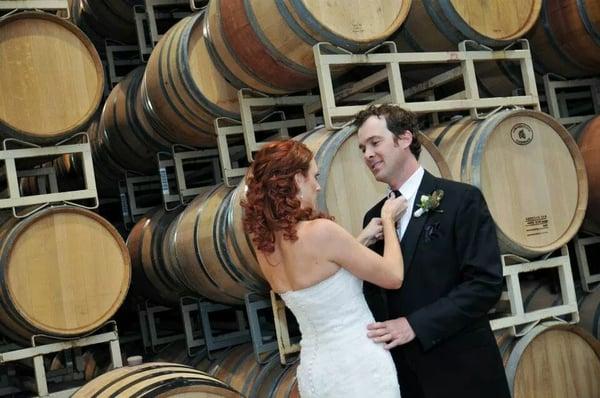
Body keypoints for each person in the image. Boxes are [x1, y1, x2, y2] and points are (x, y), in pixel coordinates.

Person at [355, 104, 511, 398]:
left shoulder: (460, 200)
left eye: (375, 143)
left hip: (464, 373)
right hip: (406, 381)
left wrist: (415, 325)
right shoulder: (373, 219)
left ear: (404, 139)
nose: (367, 155)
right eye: (362, 148)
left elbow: (484, 285)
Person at [242, 140, 406, 398]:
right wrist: (388, 222)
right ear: (297, 180)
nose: (318, 186)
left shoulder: (265, 247)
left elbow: (325, 273)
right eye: (314, 176)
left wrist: (361, 238)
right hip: (358, 368)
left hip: (316, 373)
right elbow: (393, 276)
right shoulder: (321, 232)